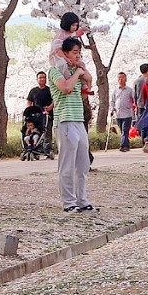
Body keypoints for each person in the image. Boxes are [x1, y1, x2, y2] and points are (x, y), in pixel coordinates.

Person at [51, 37, 92, 211]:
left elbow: (85, 86)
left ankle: (82, 200)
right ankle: (68, 202)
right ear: (65, 53)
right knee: (67, 165)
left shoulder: (78, 70)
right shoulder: (55, 71)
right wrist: (77, 74)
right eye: (74, 52)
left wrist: (82, 74)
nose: (77, 56)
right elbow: (65, 88)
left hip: (78, 120)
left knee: (83, 164)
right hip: (64, 120)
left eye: (79, 52)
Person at [23, 70, 53, 143]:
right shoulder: (33, 91)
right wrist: (28, 112)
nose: (42, 79)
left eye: (44, 77)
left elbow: (54, 100)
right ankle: (34, 146)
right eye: (40, 78)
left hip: (47, 115)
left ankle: (47, 150)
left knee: (47, 132)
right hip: (36, 116)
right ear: (37, 79)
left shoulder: (50, 90)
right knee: (36, 131)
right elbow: (29, 102)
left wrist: (50, 107)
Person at [110, 71, 136, 150]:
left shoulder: (130, 90)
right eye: (119, 78)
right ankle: (126, 145)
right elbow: (112, 101)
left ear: (126, 79)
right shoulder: (115, 90)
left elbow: (134, 99)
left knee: (125, 129)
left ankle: (122, 146)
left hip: (127, 113)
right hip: (118, 114)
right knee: (123, 131)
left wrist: (135, 108)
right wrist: (112, 109)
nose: (121, 79)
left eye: (122, 77)